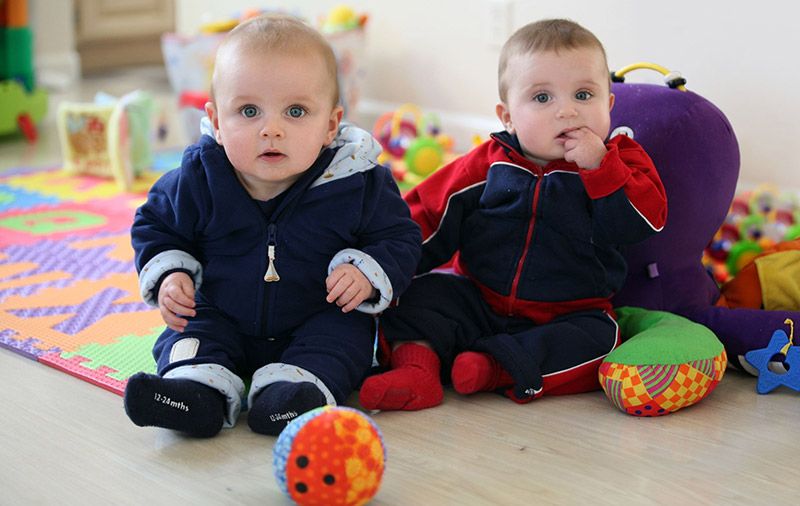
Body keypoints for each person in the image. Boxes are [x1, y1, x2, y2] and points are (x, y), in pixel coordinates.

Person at [123, 14, 421, 437]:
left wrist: (367, 270)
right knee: (191, 335)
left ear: (331, 125)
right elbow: (156, 225)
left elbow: (400, 237)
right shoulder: (199, 177)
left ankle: (292, 397)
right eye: (248, 111)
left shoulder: (358, 183)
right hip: (220, 311)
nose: (272, 129)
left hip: (319, 314)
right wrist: (171, 272)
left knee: (342, 340)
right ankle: (192, 394)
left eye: (296, 111)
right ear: (218, 121)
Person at [358, 18, 668, 411]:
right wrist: (380, 264)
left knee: (602, 340)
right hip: (479, 298)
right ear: (507, 116)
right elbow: (428, 217)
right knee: (417, 296)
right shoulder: (486, 166)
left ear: (609, 105)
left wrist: (601, 168)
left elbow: (645, 222)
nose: (567, 111)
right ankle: (417, 370)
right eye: (542, 98)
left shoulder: (623, 161)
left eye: (584, 95)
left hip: (569, 312)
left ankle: (494, 369)